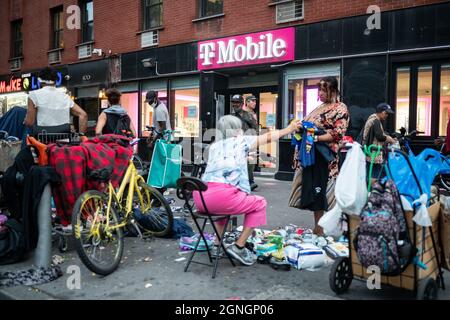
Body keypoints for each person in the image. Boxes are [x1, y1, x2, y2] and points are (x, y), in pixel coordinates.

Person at [193, 115, 301, 266]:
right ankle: (239, 246)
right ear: (236, 130)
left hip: (201, 198)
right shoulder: (241, 141)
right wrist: (289, 129)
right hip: (221, 198)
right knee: (260, 203)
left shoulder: (214, 147)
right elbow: (269, 137)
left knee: (222, 211)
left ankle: (217, 245)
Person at [290, 76, 349, 236]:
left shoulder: (340, 108)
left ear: (334, 91)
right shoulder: (319, 108)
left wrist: (315, 138)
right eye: (320, 90)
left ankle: (320, 228)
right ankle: (318, 226)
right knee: (313, 191)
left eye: (325, 90)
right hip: (311, 155)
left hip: (323, 158)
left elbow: (338, 133)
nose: (321, 93)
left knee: (321, 192)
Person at [24, 67, 87, 134]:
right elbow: (83, 115)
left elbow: (30, 122)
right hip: (64, 139)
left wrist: (25, 120)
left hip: (44, 138)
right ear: (55, 81)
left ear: (39, 80)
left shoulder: (33, 95)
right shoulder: (65, 96)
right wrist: (81, 135)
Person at [360, 103, 396, 181]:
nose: (387, 116)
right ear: (381, 112)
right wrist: (389, 139)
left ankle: (373, 190)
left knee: (373, 174)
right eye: (386, 113)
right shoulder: (375, 120)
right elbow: (379, 136)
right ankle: (374, 191)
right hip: (373, 153)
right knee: (374, 176)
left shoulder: (373, 119)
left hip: (371, 152)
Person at [231, 94, 259, 191]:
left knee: (250, 162)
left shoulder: (248, 115)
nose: (235, 105)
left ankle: (250, 181)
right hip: (236, 142)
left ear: (242, 104)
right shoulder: (231, 116)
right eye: (233, 103)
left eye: (237, 103)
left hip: (249, 142)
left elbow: (255, 128)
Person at [244, 95, 259, 191]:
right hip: (246, 139)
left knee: (252, 161)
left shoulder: (253, 113)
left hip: (253, 139)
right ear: (247, 102)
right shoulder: (244, 113)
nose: (254, 103)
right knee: (248, 161)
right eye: (252, 101)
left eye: (255, 101)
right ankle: (250, 181)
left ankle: (249, 180)